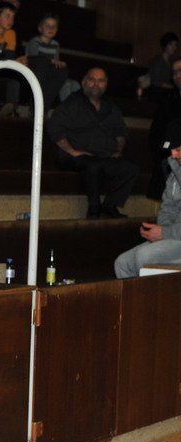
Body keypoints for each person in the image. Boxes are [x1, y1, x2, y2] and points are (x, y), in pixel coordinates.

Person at [47, 67, 139, 219]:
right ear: (84, 82)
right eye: (92, 80)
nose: (96, 84)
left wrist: (118, 150)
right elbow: (54, 127)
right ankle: (94, 209)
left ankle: (109, 206)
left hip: (103, 156)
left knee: (130, 168)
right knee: (92, 165)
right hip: (74, 156)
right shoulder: (72, 103)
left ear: (106, 84)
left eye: (101, 81)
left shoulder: (111, 107)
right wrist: (72, 151)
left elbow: (121, 132)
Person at [115, 120, 181, 278]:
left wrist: (165, 233)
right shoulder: (174, 173)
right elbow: (168, 209)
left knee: (144, 257)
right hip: (174, 236)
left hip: (176, 235)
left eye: (178, 149)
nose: (173, 154)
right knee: (122, 263)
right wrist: (159, 232)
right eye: (171, 150)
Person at [147, 58, 181, 200]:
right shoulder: (167, 105)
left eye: (180, 71)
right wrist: (174, 152)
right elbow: (156, 138)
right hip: (171, 158)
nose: (177, 75)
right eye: (174, 72)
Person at [25, 13, 69, 111]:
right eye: (47, 25)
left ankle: (44, 106)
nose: (51, 28)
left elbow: (55, 61)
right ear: (40, 29)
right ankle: (34, 106)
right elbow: (34, 57)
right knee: (42, 62)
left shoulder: (55, 44)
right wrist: (51, 61)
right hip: (34, 70)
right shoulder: (34, 41)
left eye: (54, 26)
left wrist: (59, 63)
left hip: (47, 70)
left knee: (62, 70)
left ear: (57, 30)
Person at [147, 32, 179, 103]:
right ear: (165, 45)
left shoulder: (171, 61)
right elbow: (154, 81)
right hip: (157, 96)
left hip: (166, 95)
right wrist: (171, 86)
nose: (174, 47)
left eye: (175, 45)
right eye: (171, 44)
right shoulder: (158, 61)